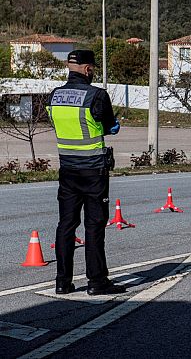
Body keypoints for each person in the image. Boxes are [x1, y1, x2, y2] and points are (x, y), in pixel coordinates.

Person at [46, 50, 124, 296]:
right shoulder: (97, 95)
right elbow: (109, 126)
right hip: (93, 171)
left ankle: (62, 282)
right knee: (94, 226)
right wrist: (113, 127)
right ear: (88, 69)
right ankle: (97, 282)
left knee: (66, 225)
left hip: (67, 170)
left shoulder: (54, 96)